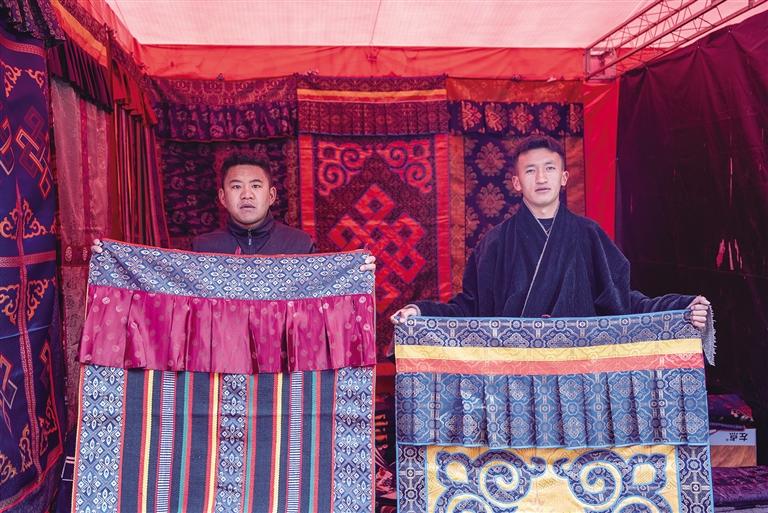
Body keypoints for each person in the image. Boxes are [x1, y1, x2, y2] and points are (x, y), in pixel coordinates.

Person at [391, 135, 709, 329]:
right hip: (515, 377)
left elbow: (623, 302)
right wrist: (421, 312)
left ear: (564, 178)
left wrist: (680, 308)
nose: (541, 178)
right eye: (530, 171)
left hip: (578, 374)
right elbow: (469, 309)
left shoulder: (589, 236)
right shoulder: (495, 244)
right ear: (516, 182)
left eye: (550, 169)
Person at [94, 154, 376, 270]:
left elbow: (324, 293)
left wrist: (356, 271)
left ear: (271, 196)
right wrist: (112, 260)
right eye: (236, 186)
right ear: (222, 197)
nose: (247, 194)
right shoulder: (204, 247)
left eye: (256, 186)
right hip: (220, 362)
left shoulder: (299, 244)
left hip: (282, 364)